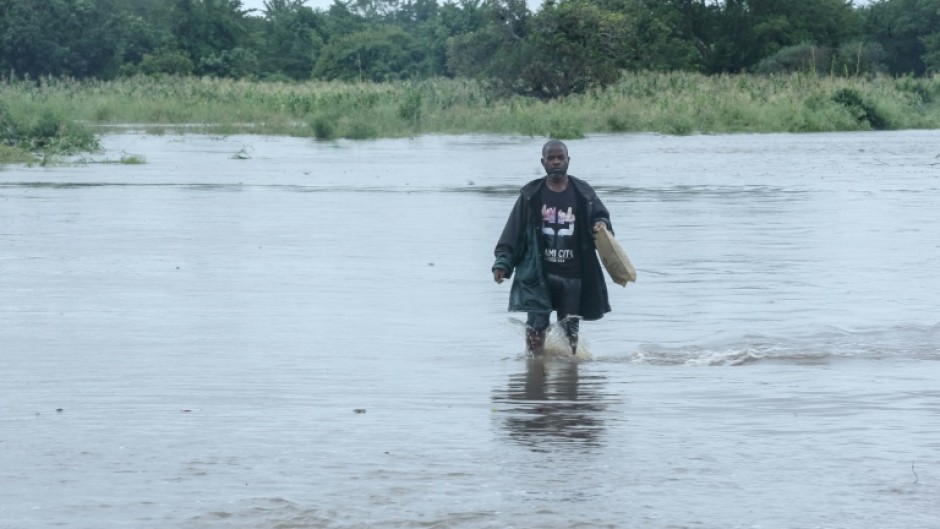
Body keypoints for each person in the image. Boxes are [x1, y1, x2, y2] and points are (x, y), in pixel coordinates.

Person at [492, 140, 613, 356]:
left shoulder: (583, 193)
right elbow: (513, 231)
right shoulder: (531, 195)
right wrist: (502, 262)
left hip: (573, 276)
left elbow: (601, 217)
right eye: (551, 158)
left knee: (569, 332)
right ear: (543, 162)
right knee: (535, 330)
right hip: (538, 275)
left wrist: (601, 225)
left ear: (568, 160)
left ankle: (569, 378)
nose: (556, 162)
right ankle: (534, 374)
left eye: (560, 158)